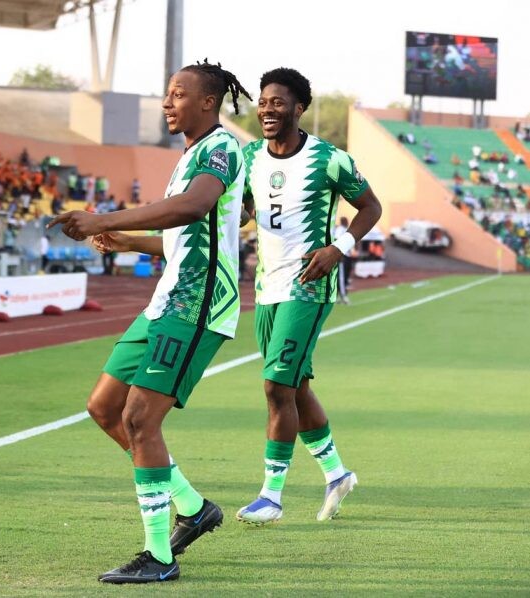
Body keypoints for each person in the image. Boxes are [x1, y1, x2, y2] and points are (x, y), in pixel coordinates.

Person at [50, 59, 250, 584]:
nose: (167, 102)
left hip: (196, 306)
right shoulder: (189, 155)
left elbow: (193, 207)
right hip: (166, 301)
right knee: (103, 407)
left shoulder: (222, 148)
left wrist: (105, 218)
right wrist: (127, 240)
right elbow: (184, 232)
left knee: (140, 420)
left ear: (207, 102)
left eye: (177, 93)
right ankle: (191, 504)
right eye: (167, 93)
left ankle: (159, 556)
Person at [235, 68, 382, 526]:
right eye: (262, 101)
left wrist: (339, 248)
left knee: (276, 386)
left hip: (307, 286)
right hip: (266, 288)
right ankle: (337, 474)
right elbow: (240, 210)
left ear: (299, 108)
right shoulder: (249, 156)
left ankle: (270, 497)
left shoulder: (329, 159)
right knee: (295, 387)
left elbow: (371, 207)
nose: (267, 109)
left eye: (277, 102)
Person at [333, 216, 353, 304]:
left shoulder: (345, 229)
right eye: (345, 220)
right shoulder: (340, 229)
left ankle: (338, 295)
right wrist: (339, 254)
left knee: (345, 276)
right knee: (341, 277)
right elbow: (337, 239)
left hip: (347, 255)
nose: (347, 221)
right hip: (342, 256)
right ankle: (343, 296)